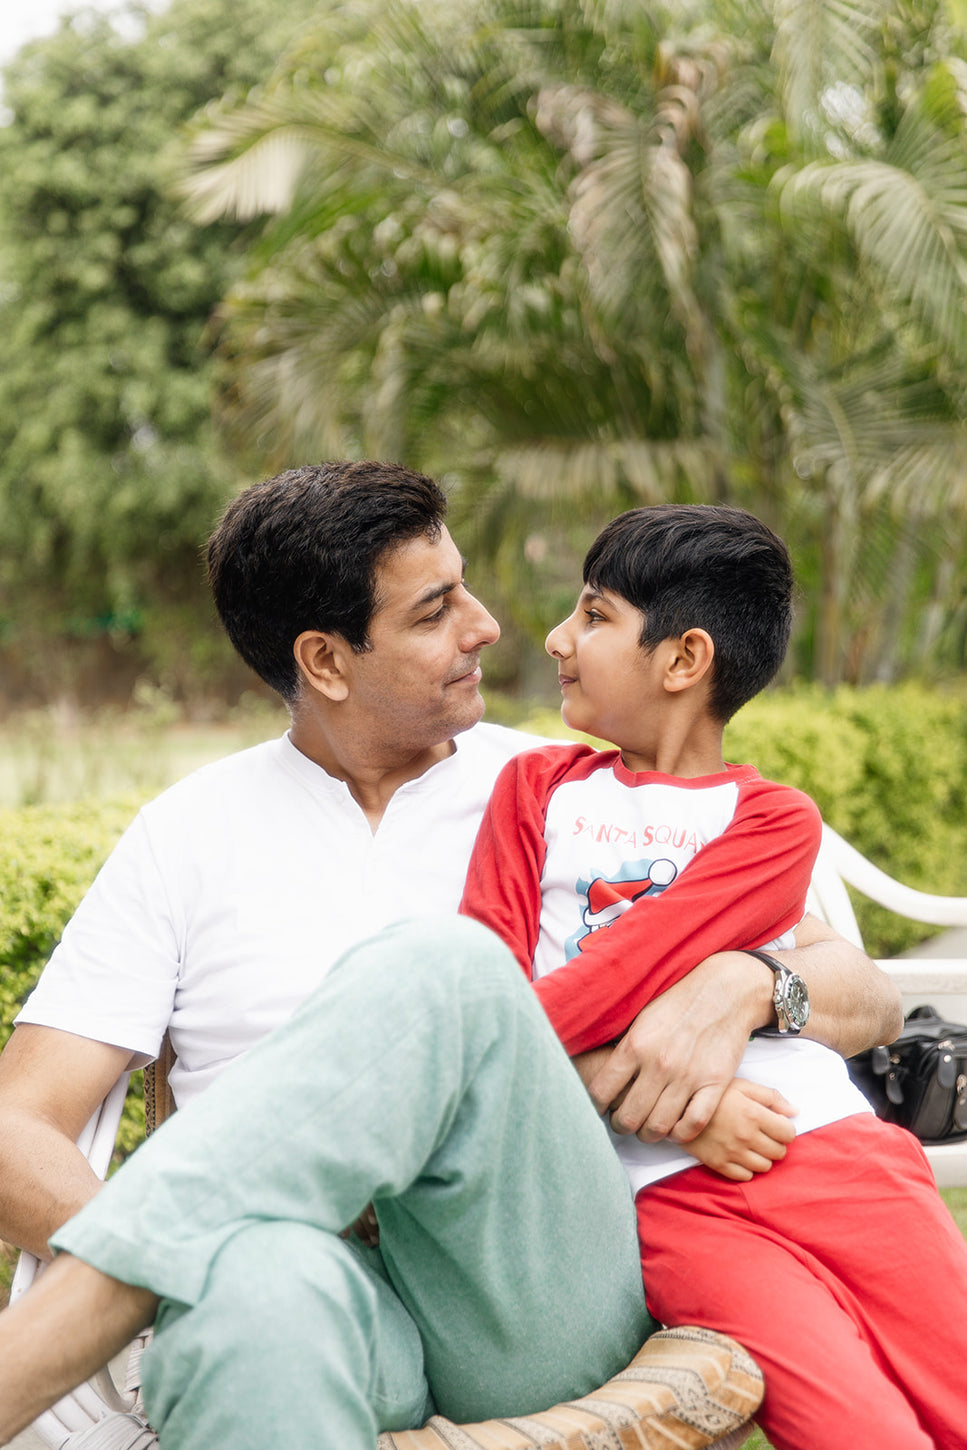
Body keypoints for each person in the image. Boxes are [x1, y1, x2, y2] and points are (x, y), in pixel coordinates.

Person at [0, 465, 900, 1448]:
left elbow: (866, 995)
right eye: (436, 611)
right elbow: (16, 1123)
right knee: (252, 1300)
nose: (487, 626)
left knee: (445, 969)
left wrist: (756, 981)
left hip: (525, 1286)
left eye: (463, 587)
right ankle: (173, 1269)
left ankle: (42, 1349)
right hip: (317, 1282)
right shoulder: (187, 834)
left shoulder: (573, 789)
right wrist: (208, 1247)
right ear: (326, 660)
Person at [460, 503, 967, 1450]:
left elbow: (623, 971)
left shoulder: (771, 821)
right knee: (859, 1430)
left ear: (683, 660)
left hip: (830, 1157)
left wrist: (497, 1059)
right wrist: (677, 1107)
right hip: (669, 1200)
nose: (558, 638)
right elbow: (479, 980)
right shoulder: (532, 793)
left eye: (595, 615)